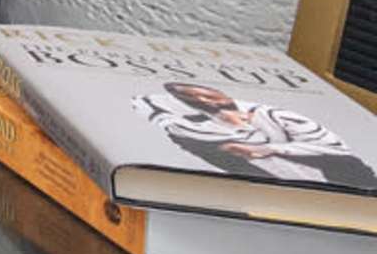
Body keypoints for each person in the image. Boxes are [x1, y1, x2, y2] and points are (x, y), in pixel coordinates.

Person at [137, 80, 377, 193]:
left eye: (209, 94)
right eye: (192, 98)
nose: (204, 100)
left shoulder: (274, 115)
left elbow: (333, 148)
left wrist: (271, 149)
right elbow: (151, 110)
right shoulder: (196, 128)